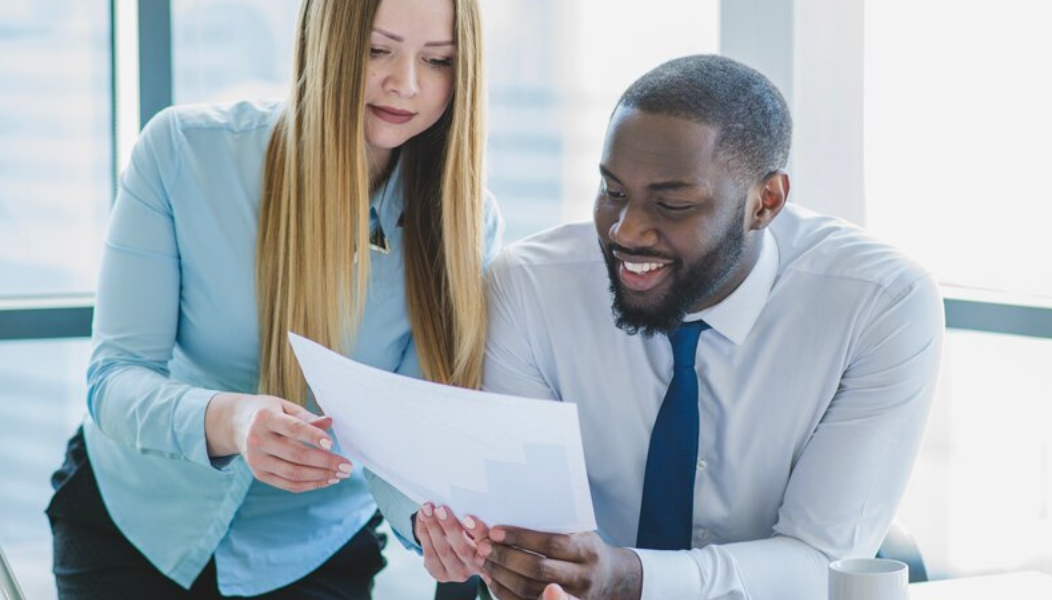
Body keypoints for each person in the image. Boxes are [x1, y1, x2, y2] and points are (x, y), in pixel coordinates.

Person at [408, 54, 943, 600]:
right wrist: (486, 548)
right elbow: (526, 524)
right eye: (613, 192)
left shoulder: (879, 305)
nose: (627, 231)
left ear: (767, 202)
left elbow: (823, 561)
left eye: (673, 203)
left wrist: (629, 577)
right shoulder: (530, 288)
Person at [45, 0, 501, 598]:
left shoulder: (466, 224)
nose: (406, 83)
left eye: (438, 60)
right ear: (327, 41)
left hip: (312, 552)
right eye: (376, 50)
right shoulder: (184, 153)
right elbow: (115, 380)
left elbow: (401, 439)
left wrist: (430, 526)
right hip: (135, 522)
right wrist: (232, 421)